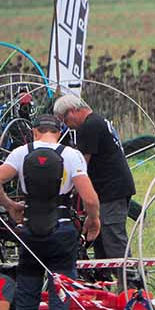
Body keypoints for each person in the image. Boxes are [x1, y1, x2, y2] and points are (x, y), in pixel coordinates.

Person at [0, 113, 100, 310]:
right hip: (61, 234)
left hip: (30, 234)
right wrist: (93, 220)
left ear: (34, 131)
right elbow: (90, 198)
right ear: (58, 132)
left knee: (25, 305)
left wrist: (11, 205)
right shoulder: (71, 156)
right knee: (61, 302)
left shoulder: (21, 153)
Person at [54, 95, 136, 263]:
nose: (66, 125)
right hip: (114, 187)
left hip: (111, 190)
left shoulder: (89, 126)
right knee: (99, 238)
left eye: (64, 119)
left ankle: (132, 284)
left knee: (113, 239)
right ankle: (103, 280)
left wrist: (68, 185)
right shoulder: (99, 120)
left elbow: (81, 164)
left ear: (73, 111)